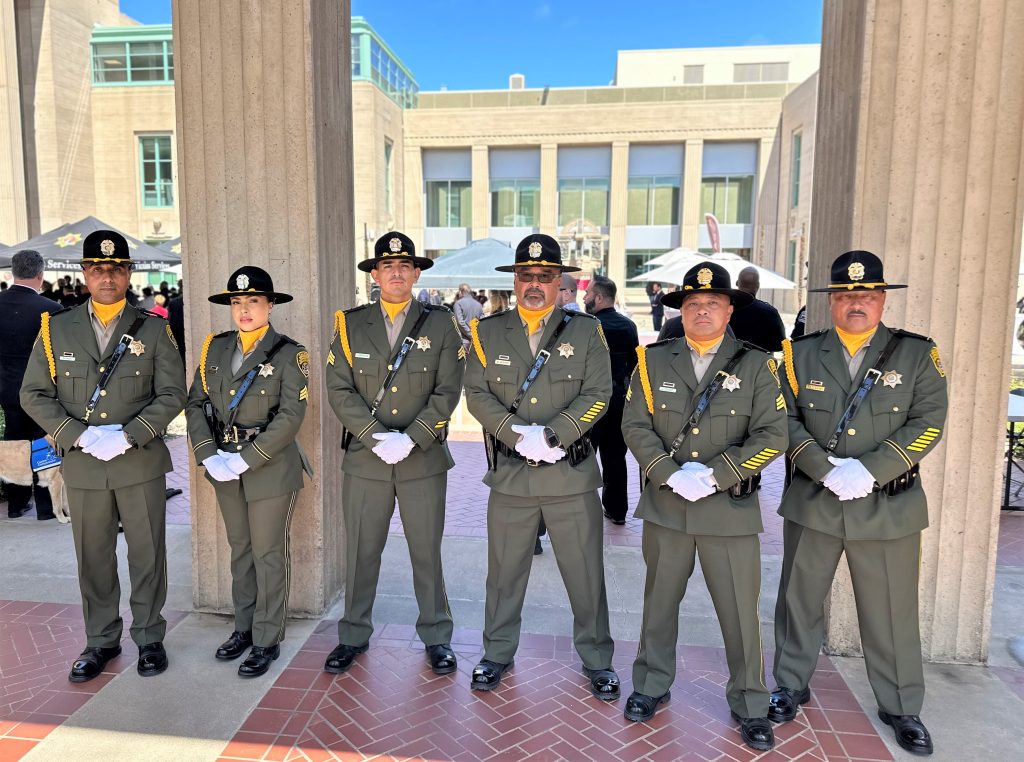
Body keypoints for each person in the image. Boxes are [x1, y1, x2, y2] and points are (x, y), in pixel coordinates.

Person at [770, 251, 948, 756]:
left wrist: (870, 469)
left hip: (887, 504)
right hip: (815, 500)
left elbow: (929, 421)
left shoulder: (916, 354)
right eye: (846, 295)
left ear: (882, 299)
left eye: (866, 295)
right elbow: (783, 422)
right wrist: (827, 470)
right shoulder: (800, 355)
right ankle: (790, 684)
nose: (856, 304)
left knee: (890, 610)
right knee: (799, 601)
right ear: (832, 302)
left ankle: (900, 705)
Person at [620, 262, 785, 751]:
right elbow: (635, 425)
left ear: (730, 308)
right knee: (659, 604)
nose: (703, 311)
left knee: (739, 613)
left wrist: (716, 475)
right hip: (668, 507)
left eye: (713, 303)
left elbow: (773, 435)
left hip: (728, 512)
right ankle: (651, 684)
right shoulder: (652, 361)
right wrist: (670, 473)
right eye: (693, 304)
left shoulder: (756, 364)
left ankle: (752, 704)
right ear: (682, 311)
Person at [20, 230, 186, 682]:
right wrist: (78, 435)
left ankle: (149, 637)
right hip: (86, 464)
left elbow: (173, 393)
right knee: (93, 555)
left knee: (147, 553)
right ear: (85, 274)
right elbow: (33, 394)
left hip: (139, 462)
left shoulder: (153, 328)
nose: (106, 276)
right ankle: (101, 640)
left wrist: (131, 435)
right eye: (97, 269)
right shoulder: (56, 328)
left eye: (115, 268)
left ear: (128, 273)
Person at [464, 233, 619, 700]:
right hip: (511, 475)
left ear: (560, 282)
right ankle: (496, 652)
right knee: (504, 572)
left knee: (585, 573)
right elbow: (477, 395)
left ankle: (597, 658)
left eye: (545, 276)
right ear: (514, 281)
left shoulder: (586, 331)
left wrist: (553, 434)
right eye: (526, 276)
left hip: (569, 476)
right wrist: (518, 434)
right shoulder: (487, 332)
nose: (535, 283)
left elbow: (600, 394)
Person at [324, 231, 465, 677]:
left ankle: (437, 636)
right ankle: (352, 634)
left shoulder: (440, 324)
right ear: (375, 274)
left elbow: (448, 389)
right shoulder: (350, 324)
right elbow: (338, 388)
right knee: (362, 551)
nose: (397, 273)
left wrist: (414, 436)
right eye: (388, 266)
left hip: (422, 460)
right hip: (367, 460)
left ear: (417, 272)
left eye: (405, 266)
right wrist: (375, 436)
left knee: (426, 550)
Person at [185, 266, 308, 678]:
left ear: (269, 305)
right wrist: (208, 455)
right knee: (241, 549)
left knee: (268, 553)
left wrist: (247, 457)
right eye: (237, 302)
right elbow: (196, 405)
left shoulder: (290, 354)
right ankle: (244, 627)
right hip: (223, 465)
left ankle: (267, 636)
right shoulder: (214, 350)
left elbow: (292, 416)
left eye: (253, 301)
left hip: (269, 467)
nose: (244, 310)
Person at [0, 250, 61, 519]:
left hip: (5, 389)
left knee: (13, 444)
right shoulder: (51, 309)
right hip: (42, 390)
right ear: (40, 275)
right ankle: (46, 508)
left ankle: (15, 504)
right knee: (42, 444)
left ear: (12, 273)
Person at [583, 276, 638, 524]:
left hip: (591, 402)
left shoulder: (588, 326)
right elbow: (635, 367)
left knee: (584, 457)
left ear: (599, 298)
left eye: (588, 294)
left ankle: (583, 508)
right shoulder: (628, 326)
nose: (584, 297)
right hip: (619, 402)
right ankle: (617, 511)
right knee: (616, 458)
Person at [728, 266, 787, 352]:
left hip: (727, 362)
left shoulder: (724, 309)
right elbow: (780, 345)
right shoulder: (770, 312)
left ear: (737, 283)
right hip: (760, 363)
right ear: (758, 285)